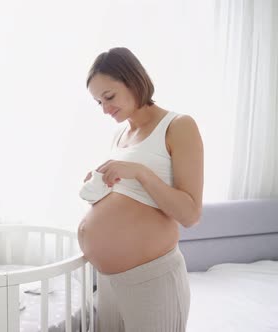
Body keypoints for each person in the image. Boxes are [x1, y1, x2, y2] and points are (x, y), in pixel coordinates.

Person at [77, 47, 204, 332]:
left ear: (134, 80)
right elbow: (132, 200)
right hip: (111, 280)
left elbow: (190, 214)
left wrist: (141, 173)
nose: (105, 109)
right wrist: (101, 185)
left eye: (109, 97)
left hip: (152, 280)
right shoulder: (120, 135)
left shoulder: (178, 126)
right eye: (98, 102)